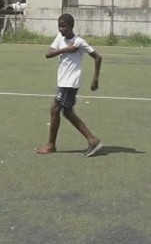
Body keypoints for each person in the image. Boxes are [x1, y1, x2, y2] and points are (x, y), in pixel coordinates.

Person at [34, 13, 104, 157]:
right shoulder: (60, 38)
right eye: (59, 26)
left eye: (64, 26)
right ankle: (92, 140)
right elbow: (48, 54)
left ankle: (51, 145)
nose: (61, 29)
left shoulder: (79, 42)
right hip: (63, 81)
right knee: (67, 112)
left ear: (72, 26)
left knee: (55, 109)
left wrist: (95, 79)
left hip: (70, 83)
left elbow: (97, 57)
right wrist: (66, 49)